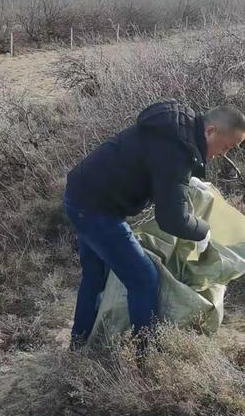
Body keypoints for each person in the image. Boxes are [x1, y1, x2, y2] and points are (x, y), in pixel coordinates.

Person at [65, 100, 245, 349]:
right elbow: (172, 218)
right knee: (144, 278)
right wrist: (203, 232)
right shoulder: (177, 150)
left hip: (83, 192)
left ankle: (78, 344)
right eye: (226, 146)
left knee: (95, 275)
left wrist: (188, 181)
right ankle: (145, 358)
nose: (223, 154)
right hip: (96, 209)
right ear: (211, 131)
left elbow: (161, 170)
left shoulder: (179, 128)